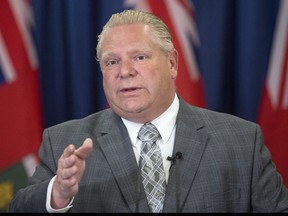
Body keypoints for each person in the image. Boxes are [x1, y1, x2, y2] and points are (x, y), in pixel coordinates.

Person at [9, 9, 288, 213]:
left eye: (140, 57)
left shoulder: (241, 141)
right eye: (112, 62)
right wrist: (57, 195)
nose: (125, 71)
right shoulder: (64, 141)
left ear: (172, 64)